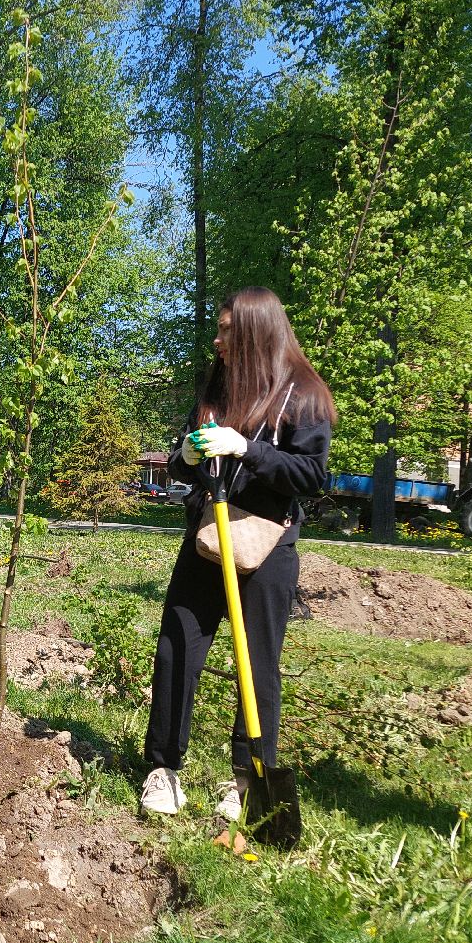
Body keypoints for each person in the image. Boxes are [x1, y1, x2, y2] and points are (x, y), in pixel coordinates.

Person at [140, 287, 336, 817]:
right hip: (208, 538)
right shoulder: (219, 389)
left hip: (267, 545)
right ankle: (163, 769)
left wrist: (248, 448)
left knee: (258, 665)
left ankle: (248, 780)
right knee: (177, 648)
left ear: (255, 331)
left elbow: (310, 474)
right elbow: (185, 462)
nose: (218, 340)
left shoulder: (303, 395)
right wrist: (185, 456)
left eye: (227, 330)